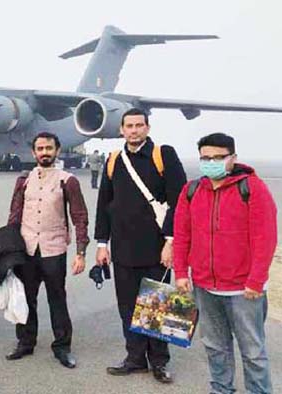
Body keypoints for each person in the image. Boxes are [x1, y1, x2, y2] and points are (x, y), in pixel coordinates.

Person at [174, 133, 277, 394]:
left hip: (244, 290)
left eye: (218, 157)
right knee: (214, 346)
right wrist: (181, 272)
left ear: (233, 158)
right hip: (205, 287)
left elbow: (265, 238)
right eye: (206, 158)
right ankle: (221, 389)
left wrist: (255, 280)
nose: (211, 162)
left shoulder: (252, 188)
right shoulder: (192, 190)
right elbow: (182, 234)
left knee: (253, 351)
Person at [95, 108, 186, 384]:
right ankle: (134, 358)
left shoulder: (163, 155)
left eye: (139, 125)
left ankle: (159, 362)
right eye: (129, 126)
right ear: (121, 130)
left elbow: (178, 200)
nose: (134, 130)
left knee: (157, 305)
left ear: (147, 127)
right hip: (122, 249)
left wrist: (171, 242)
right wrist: (102, 244)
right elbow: (104, 206)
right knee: (128, 307)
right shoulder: (113, 160)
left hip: (156, 247)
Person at [5, 132, 89, 368]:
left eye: (49, 148)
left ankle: (62, 347)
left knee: (57, 299)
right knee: (25, 298)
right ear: (34, 153)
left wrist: (80, 252)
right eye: (40, 149)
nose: (44, 152)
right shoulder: (24, 180)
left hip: (54, 249)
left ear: (57, 150)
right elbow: (14, 215)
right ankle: (25, 342)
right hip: (27, 249)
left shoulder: (67, 180)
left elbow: (80, 217)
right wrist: (9, 251)